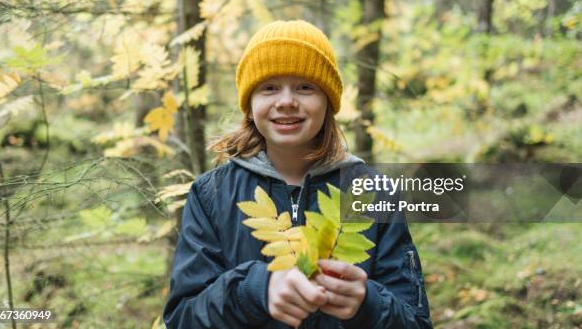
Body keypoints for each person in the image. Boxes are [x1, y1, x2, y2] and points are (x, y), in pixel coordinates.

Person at [163, 20, 433, 328]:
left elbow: (416, 322)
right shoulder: (211, 195)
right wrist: (254, 290)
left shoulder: (372, 193)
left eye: (305, 87)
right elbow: (183, 319)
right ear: (250, 106)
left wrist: (368, 303)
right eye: (269, 87)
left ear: (328, 102)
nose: (287, 101)